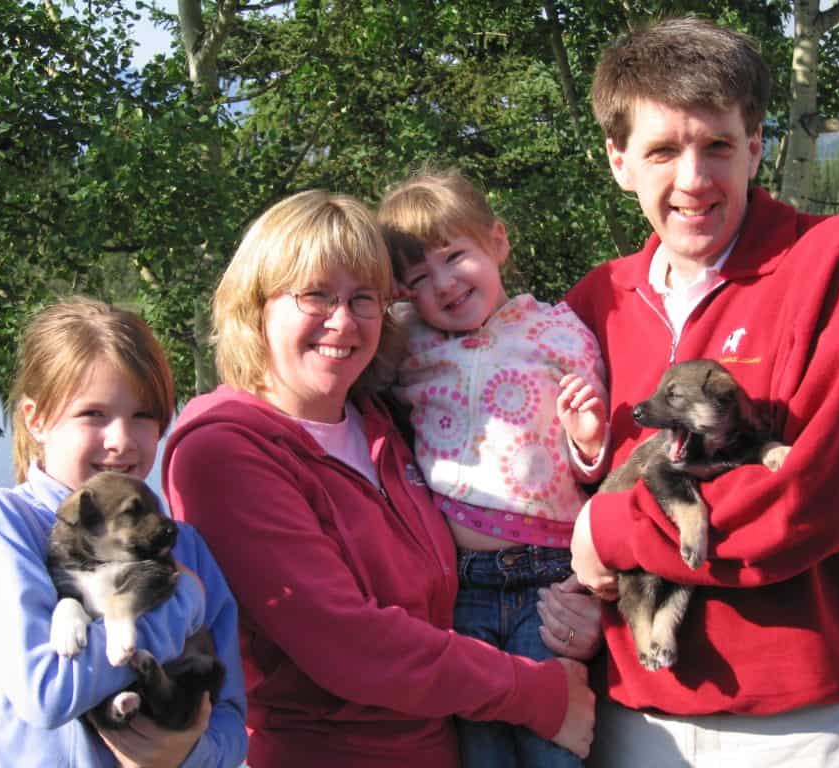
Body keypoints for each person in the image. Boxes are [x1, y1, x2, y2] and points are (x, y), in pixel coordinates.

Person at [567, 17, 839, 767]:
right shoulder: (593, 303)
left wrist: (610, 531)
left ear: (756, 146)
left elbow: (819, 497)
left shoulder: (832, 262)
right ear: (618, 160)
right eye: (662, 150)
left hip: (803, 727)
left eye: (717, 146)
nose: (693, 179)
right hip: (631, 724)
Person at [162, 190, 597, 768]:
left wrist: (575, 612)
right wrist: (537, 693)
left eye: (363, 298)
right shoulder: (223, 450)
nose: (342, 321)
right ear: (256, 305)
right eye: (315, 294)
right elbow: (347, 641)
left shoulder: (385, 422)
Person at [0, 296, 248, 768]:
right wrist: (180, 604)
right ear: (37, 418)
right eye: (93, 414)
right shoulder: (1, 524)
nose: (122, 440)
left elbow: (232, 721)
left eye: (144, 415)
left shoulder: (185, 543)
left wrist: (184, 756)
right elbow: (47, 691)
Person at [377, 169, 609, 768]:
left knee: (554, 743)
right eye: (419, 279)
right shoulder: (411, 345)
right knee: (481, 749)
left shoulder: (558, 331)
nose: (445, 284)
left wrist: (588, 438)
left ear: (498, 242)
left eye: (456, 256)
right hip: (462, 588)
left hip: (550, 583)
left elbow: (595, 468)